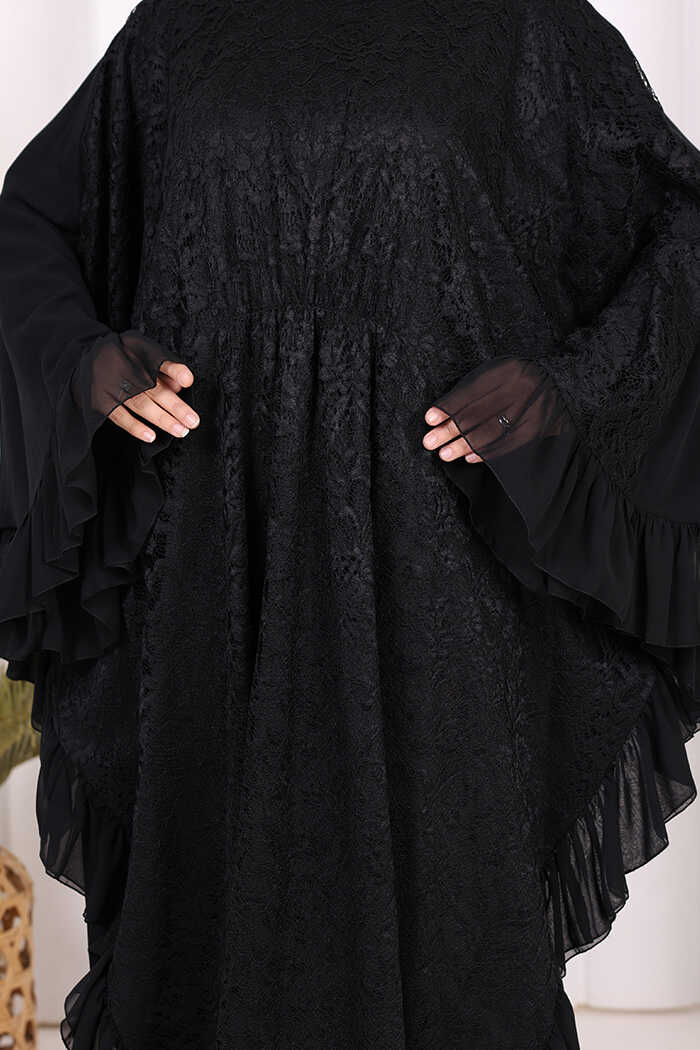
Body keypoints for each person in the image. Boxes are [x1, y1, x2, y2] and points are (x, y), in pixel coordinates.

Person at [0, 1, 698, 1047]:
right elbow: (32, 222)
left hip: (441, 564)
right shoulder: (183, 28)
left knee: (452, 925)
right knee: (193, 924)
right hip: (211, 557)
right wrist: (85, 361)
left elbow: (681, 230)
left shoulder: (525, 27)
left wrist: (568, 390)